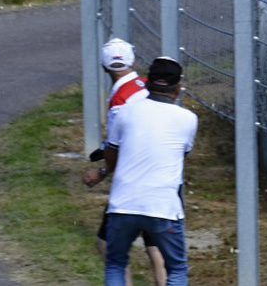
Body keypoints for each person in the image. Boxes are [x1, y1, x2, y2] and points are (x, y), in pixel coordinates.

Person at [85, 56, 198, 286]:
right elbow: (180, 156)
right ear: (179, 88)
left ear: (146, 83)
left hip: (123, 204)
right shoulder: (188, 119)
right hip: (163, 207)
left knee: (116, 263)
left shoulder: (124, 113)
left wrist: (105, 172)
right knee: (176, 268)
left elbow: (112, 154)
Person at [82, 38, 166, 286]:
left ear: (103, 66)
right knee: (156, 247)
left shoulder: (120, 99)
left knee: (108, 246)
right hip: (163, 177)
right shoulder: (145, 86)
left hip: (133, 182)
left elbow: (122, 146)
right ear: (133, 61)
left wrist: (102, 171)